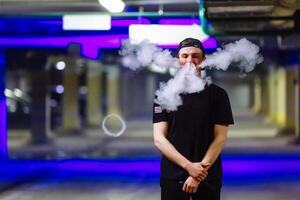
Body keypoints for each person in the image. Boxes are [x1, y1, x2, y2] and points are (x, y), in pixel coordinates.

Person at [153, 38, 234, 200]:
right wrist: (189, 167)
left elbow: (220, 138)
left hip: (207, 175)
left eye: (195, 56)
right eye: (185, 56)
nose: (190, 61)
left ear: (203, 59)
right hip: (173, 176)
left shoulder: (218, 95)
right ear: (178, 60)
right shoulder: (164, 94)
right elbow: (159, 139)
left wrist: (198, 174)